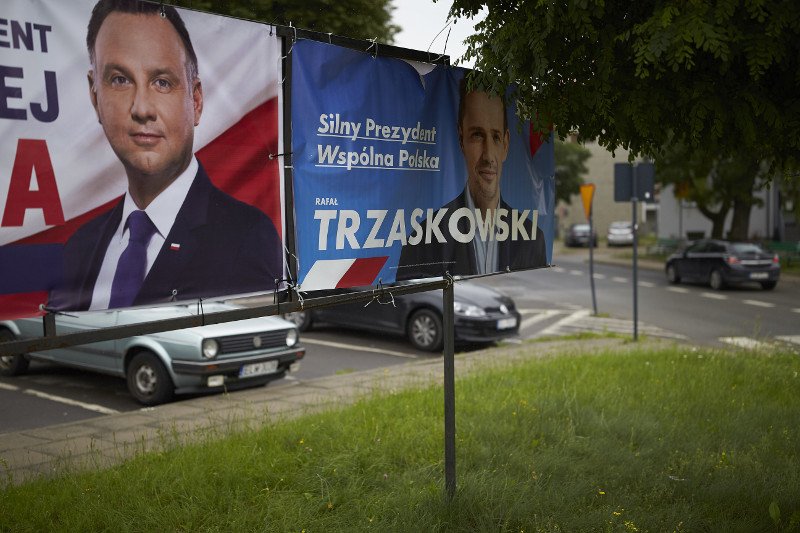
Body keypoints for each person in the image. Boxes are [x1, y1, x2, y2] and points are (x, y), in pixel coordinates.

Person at [48, 0, 282, 311]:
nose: (142, 108)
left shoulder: (247, 237)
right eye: (120, 79)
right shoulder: (79, 246)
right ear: (95, 96)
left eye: (162, 82)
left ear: (195, 101)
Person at [396, 79, 547, 280]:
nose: (488, 156)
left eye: (495, 137)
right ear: (461, 140)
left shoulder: (533, 238)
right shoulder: (421, 240)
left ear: (506, 144)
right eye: (477, 135)